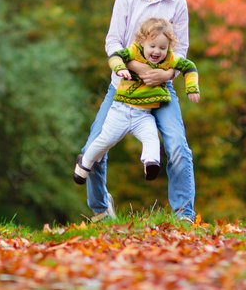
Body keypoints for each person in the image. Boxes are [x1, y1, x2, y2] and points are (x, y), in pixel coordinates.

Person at [80, 0, 197, 222]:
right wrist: (139, 69)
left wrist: (166, 73)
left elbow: (180, 50)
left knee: (178, 149)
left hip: (162, 90)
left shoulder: (177, 3)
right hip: (122, 87)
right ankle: (100, 210)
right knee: (92, 150)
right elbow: (113, 41)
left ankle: (184, 216)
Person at [73, 17, 200, 183]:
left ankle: (151, 163)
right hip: (121, 110)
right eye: (152, 46)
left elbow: (189, 66)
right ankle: (85, 161)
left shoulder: (169, 59)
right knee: (105, 140)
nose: (157, 52)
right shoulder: (133, 51)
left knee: (151, 137)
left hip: (143, 115)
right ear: (142, 42)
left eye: (162, 48)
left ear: (169, 47)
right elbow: (115, 56)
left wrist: (192, 88)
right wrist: (120, 68)